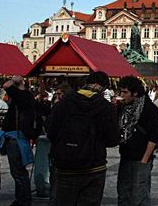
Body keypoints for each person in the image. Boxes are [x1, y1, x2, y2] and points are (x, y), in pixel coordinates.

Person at [47, 71, 120, 206]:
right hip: (94, 167)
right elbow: (113, 139)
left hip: (65, 166)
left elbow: (51, 132)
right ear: (103, 87)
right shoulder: (106, 107)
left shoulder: (64, 102)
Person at [116, 76, 158, 206]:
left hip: (141, 157)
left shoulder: (149, 109)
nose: (121, 95)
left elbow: (153, 137)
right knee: (123, 193)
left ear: (135, 93)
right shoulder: (123, 108)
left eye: (125, 92)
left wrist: (144, 160)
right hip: (125, 156)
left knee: (139, 195)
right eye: (121, 92)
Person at [1, 76, 37, 206]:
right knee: (19, 171)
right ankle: (21, 199)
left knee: (18, 171)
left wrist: (16, 80)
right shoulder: (27, 97)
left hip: (16, 137)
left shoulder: (21, 97)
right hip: (19, 136)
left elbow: (6, 85)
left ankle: (23, 200)